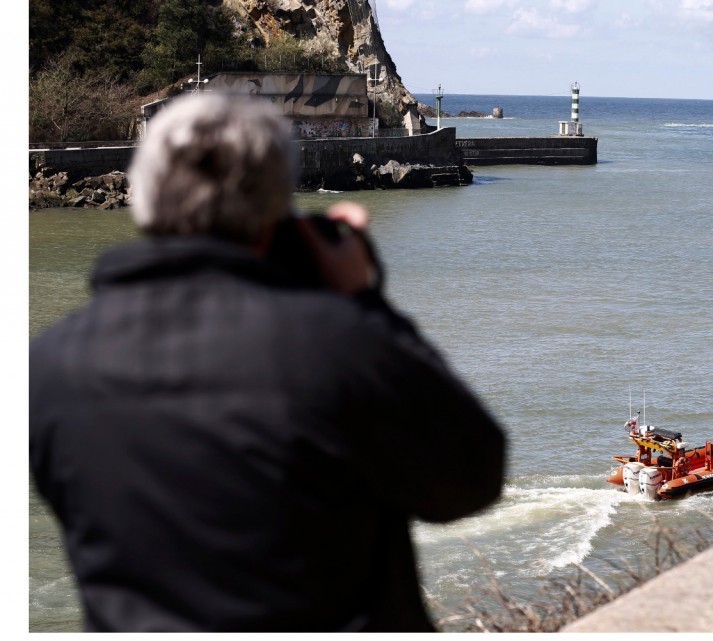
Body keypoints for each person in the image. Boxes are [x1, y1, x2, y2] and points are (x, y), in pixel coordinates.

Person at [29, 94, 506, 632]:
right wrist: (364, 303)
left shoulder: (46, 368)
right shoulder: (336, 346)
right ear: (277, 211)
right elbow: (470, 479)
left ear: (141, 197)